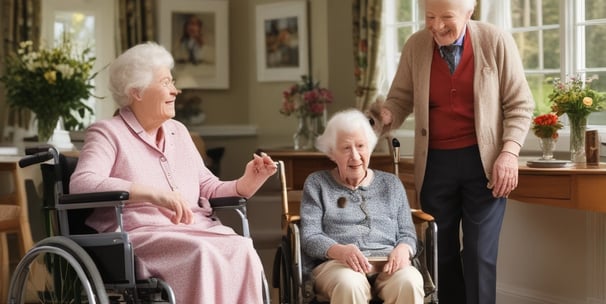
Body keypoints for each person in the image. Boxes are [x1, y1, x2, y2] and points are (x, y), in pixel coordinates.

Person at [69, 42, 277, 304]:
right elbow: (82, 182)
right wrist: (154, 194)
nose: (175, 90)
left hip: (197, 229)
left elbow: (208, 187)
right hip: (143, 235)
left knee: (242, 247)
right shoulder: (108, 133)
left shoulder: (178, 131)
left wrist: (246, 183)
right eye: (166, 82)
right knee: (202, 252)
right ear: (137, 92)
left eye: (172, 81)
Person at [371, 0, 535, 303]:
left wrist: (509, 153)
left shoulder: (494, 40)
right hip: (435, 165)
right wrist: (386, 116)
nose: (436, 25)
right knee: (439, 252)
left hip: (485, 165)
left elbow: (520, 104)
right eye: (430, 16)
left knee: (479, 252)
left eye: (446, 16)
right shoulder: (417, 45)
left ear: (469, 13)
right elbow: (400, 98)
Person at [300, 109, 424, 304]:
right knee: (350, 283)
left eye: (360, 146)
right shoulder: (317, 184)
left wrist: (404, 248)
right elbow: (310, 237)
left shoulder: (391, 184)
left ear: (370, 148)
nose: (355, 156)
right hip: (337, 265)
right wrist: (340, 251)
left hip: (388, 264)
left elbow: (407, 233)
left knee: (409, 281)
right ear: (332, 153)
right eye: (346, 148)